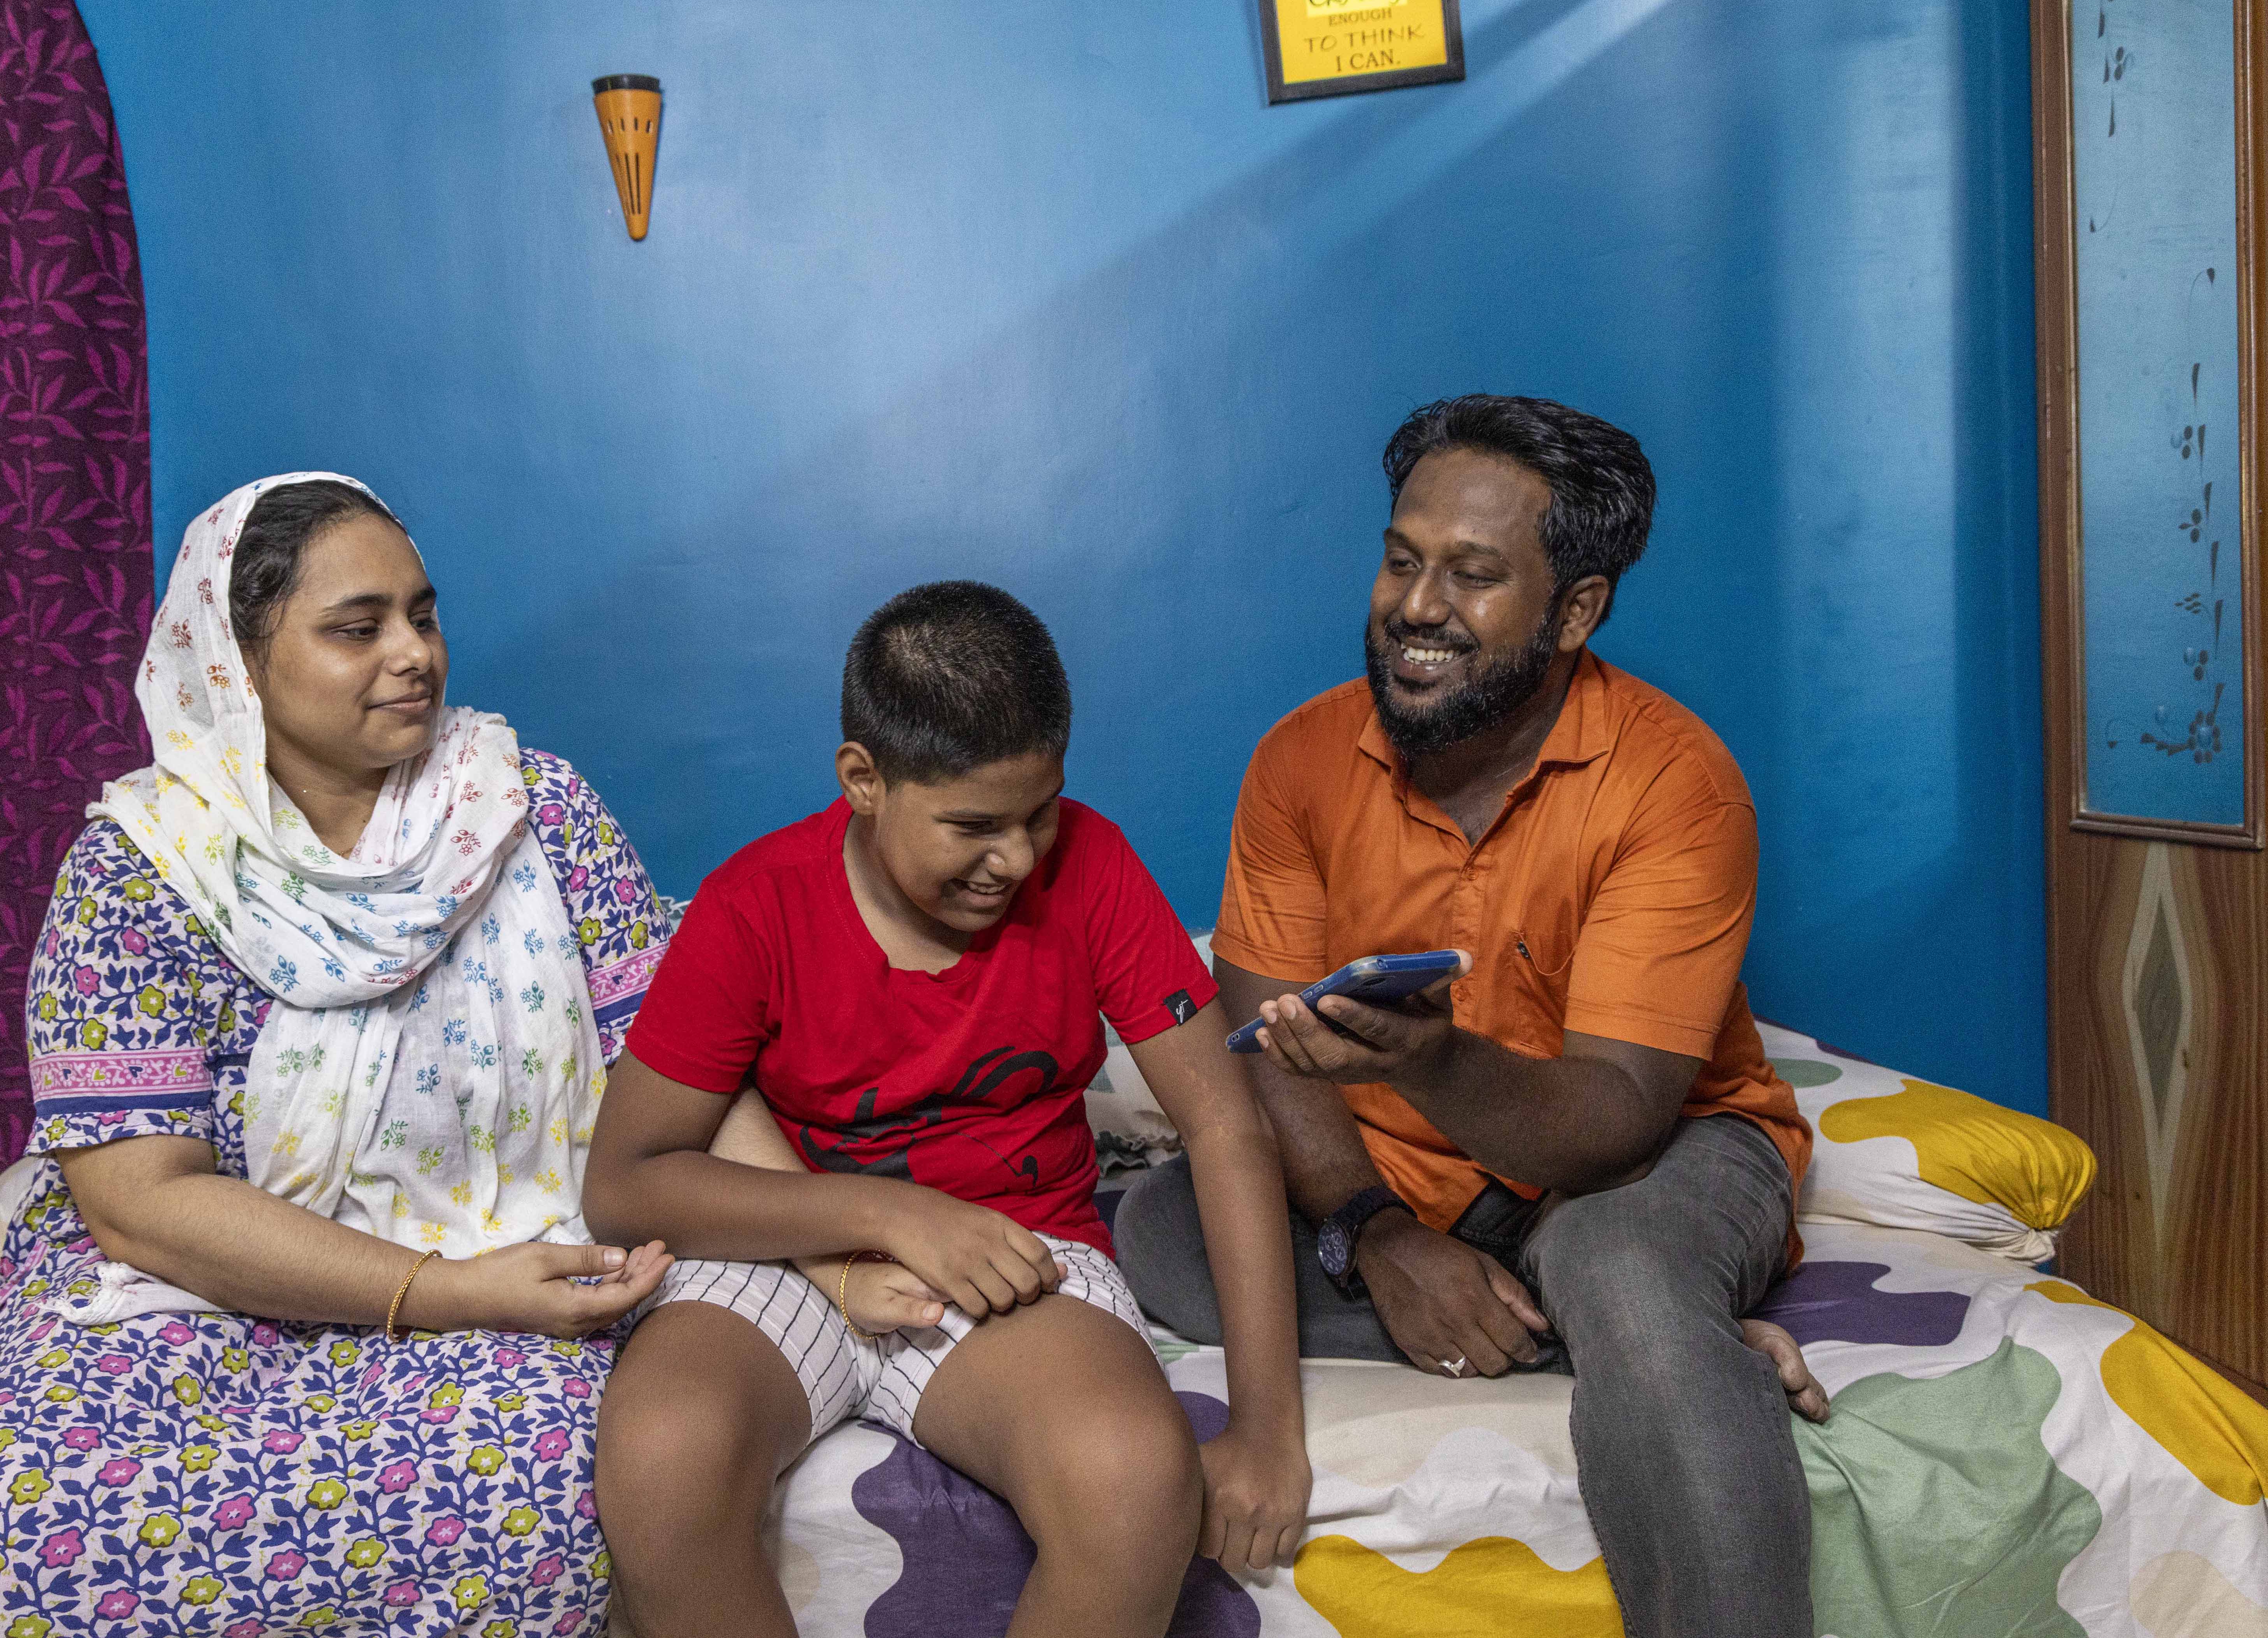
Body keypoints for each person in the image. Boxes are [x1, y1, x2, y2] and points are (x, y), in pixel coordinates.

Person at [0, 474, 750, 1637]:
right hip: (201, 1285)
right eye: (357, 627)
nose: (414, 654)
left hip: (518, 1273)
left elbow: (678, 1074)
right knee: (32, 1519)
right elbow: (141, 1203)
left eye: (423, 615)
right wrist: (438, 1292)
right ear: (237, 662)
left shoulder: (534, 813)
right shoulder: (142, 867)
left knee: (529, 1492)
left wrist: (840, 1246)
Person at [1116, 396, 1828, 1638]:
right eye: (1401, 559)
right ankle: (1663, 1349)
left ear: (1576, 610)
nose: (1416, 605)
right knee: (1164, 1229)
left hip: (1646, 1159)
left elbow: (1617, 1119)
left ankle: (1641, 1320)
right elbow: (1271, 1052)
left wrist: (1430, 1059)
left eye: (1473, 574)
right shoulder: (1297, 760)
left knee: (1619, 1262)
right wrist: (1376, 1235)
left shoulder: (1676, 784)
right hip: (1399, 1169)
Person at [581, 581, 1314, 1638]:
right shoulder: (756, 903)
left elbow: (1225, 1125)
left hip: (1015, 1258)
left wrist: (1267, 1428)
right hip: (789, 1256)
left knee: (1133, 1477)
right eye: (973, 825)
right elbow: (625, 1182)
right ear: (864, 780)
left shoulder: (1093, 864)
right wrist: (888, 1216)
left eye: (1039, 812)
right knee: (661, 1456)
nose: (1016, 857)